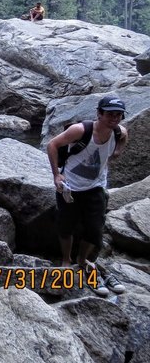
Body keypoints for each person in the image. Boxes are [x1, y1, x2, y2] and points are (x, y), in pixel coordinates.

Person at [47, 96, 129, 295]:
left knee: (94, 229)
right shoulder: (81, 130)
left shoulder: (119, 132)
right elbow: (52, 145)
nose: (114, 118)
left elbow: (124, 137)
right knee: (66, 225)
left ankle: (83, 261)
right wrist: (57, 175)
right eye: (109, 114)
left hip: (95, 187)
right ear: (99, 113)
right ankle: (66, 260)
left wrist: (117, 151)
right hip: (70, 187)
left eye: (118, 114)